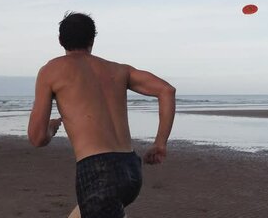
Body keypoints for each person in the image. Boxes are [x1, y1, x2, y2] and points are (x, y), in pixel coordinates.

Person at [28, 12, 176, 218]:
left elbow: (36, 137)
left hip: (97, 172)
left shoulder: (51, 70)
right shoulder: (119, 70)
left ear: (60, 40)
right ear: (92, 39)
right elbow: (166, 90)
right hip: (131, 170)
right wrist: (160, 143)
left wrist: (52, 127)